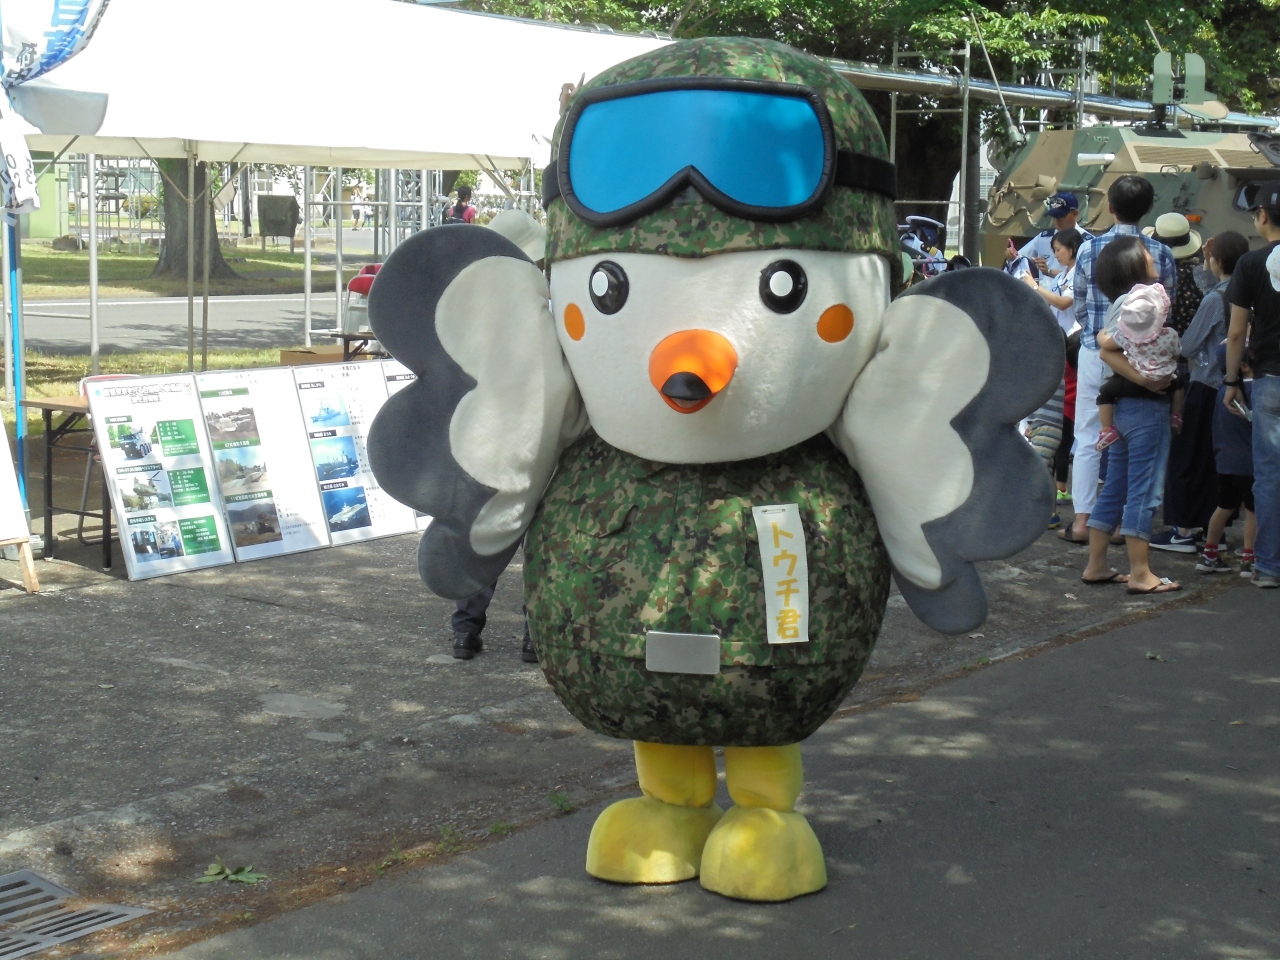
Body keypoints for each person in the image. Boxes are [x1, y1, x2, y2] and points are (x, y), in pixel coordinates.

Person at [1062, 175, 1177, 544]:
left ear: (1109, 207)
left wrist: (1097, 332)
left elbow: (1080, 303)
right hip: (1143, 358)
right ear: (1149, 208)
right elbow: (1167, 307)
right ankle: (1123, 523)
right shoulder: (1160, 252)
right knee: (1136, 441)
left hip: (1096, 352)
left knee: (1088, 435)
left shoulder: (1088, 249)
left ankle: (1083, 520)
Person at [1080, 237, 1182, 593]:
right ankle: (1141, 573)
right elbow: (1108, 350)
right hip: (1145, 408)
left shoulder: (1119, 304)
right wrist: (1148, 381)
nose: (1153, 259)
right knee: (1144, 490)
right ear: (1133, 266)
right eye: (1146, 255)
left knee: (1115, 486)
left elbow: (1107, 349)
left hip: (1120, 408)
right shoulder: (1142, 304)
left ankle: (1096, 565)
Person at [1154, 231, 1251, 553]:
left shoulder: (1213, 300)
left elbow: (1188, 345)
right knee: (1215, 462)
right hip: (1234, 387)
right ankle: (1214, 533)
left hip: (1205, 384)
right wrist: (1208, 261)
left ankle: (1183, 529)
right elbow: (1213, 286)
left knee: (1187, 458)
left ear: (1218, 260)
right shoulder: (1245, 293)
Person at [1223, 181, 1280, 588]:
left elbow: (1236, 332)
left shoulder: (1250, 264)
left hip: (1269, 380)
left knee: (1270, 475)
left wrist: (1231, 380)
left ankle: (1270, 566)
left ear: (1261, 216)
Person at [1094, 281, 1184, 451]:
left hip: (1133, 381)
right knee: (1179, 383)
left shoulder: (1125, 337)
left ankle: (1106, 430)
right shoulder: (1171, 334)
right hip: (1166, 381)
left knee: (1105, 392)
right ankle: (1176, 415)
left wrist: (1101, 334)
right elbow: (1176, 355)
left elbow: (1105, 345)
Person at [1197, 342, 1256, 574]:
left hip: (1225, 460)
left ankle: (1209, 554)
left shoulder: (1223, 391)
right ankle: (1249, 558)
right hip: (1250, 463)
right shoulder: (1253, 391)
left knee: (1224, 506)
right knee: (1253, 511)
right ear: (1244, 364)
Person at [1006, 192, 1091, 280]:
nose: (1057, 221)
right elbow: (1021, 257)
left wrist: (1049, 271)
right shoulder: (1043, 238)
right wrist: (1012, 255)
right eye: (1054, 216)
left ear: (1075, 214)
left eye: (1061, 216)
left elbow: (1086, 276)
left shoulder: (1088, 243)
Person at [1021, 228, 1081, 335]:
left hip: (1073, 334)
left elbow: (1063, 303)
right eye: (1054, 251)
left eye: (1058, 250)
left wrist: (1035, 286)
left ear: (1072, 248)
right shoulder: (1060, 277)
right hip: (1057, 332)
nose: (1056, 255)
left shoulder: (1080, 274)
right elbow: (1048, 299)